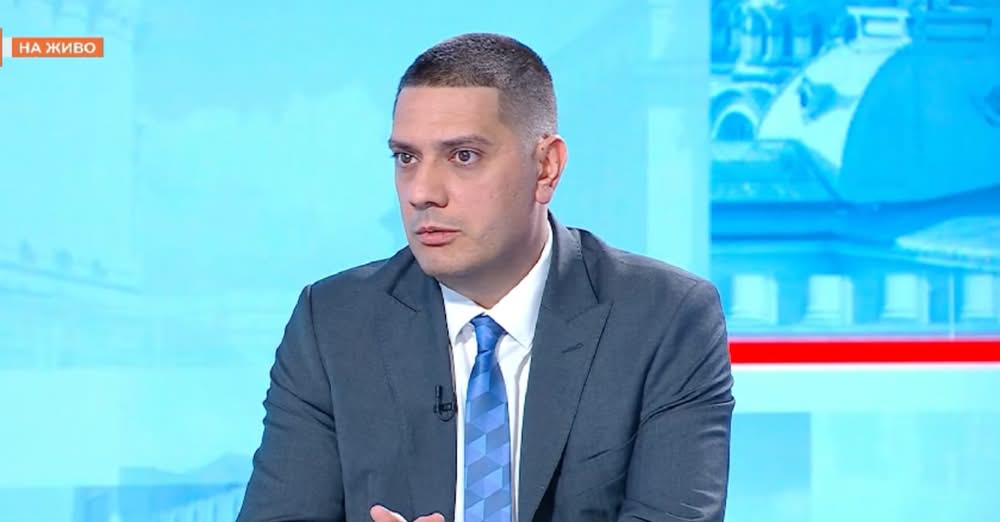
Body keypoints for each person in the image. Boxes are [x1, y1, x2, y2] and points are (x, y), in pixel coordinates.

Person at [237, 32, 734, 522]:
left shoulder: (665, 318)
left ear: (546, 167)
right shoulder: (333, 324)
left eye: (463, 156)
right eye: (407, 157)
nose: (422, 192)